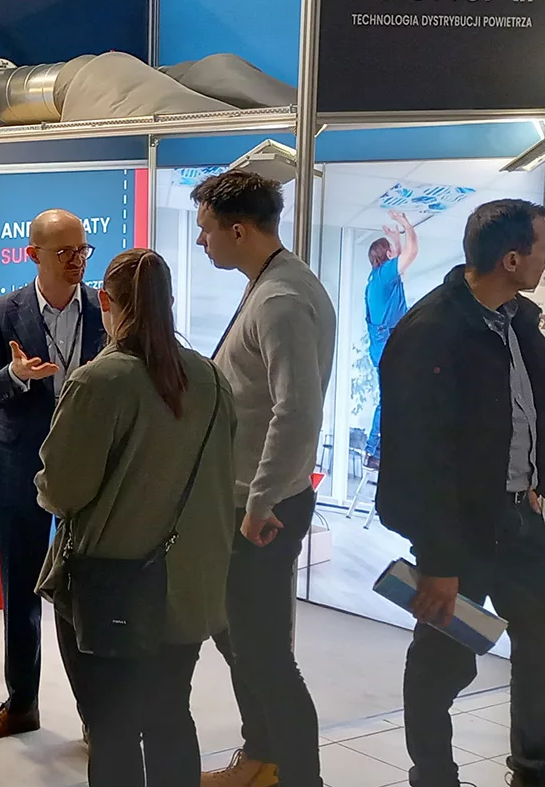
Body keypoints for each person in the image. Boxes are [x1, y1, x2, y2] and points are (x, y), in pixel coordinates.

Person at [36, 247, 238, 787]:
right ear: (168, 302)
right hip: (188, 589)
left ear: (106, 302)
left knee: (114, 726)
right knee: (170, 714)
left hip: (112, 590)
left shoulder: (99, 382)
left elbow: (62, 490)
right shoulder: (212, 380)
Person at [377, 198, 545, 787]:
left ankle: (532, 770)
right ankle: (434, 776)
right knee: (443, 663)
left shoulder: (520, 321)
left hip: (520, 520)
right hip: (460, 532)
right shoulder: (430, 331)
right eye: (543, 248)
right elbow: (419, 457)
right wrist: (440, 560)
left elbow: (529, 413)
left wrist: (534, 482)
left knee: (540, 648)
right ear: (511, 258)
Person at [191, 170, 333, 787]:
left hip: (263, 508)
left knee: (266, 655)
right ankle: (261, 758)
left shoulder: (279, 299)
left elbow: (296, 410)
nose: (201, 241)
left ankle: (297, 775)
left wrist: (260, 501)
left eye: (207, 230)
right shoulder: (274, 283)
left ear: (239, 231)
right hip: (252, 499)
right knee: (241, 640)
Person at [0, 208, 107, 740]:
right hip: (18, 468)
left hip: (90, 472)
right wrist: (16, 375)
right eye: (64, 252)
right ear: (33, 255)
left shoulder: (106, 308)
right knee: (20, 595)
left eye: (82, 250)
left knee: (87, 600)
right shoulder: (2, 313)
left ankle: (99, 720)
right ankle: (22, 704)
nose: (77, 261)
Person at [363, 209, 420, 467]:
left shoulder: (376, 280)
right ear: (386, 256)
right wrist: (405, 224)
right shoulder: (386, 275)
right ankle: (375, 450)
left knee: (394, 395)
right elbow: (411, 252)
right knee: (392, 397)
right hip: (390, 346)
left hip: (383, 346)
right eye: (392, 250)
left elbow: (399, 257)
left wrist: (395, 238)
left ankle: (377, 448)